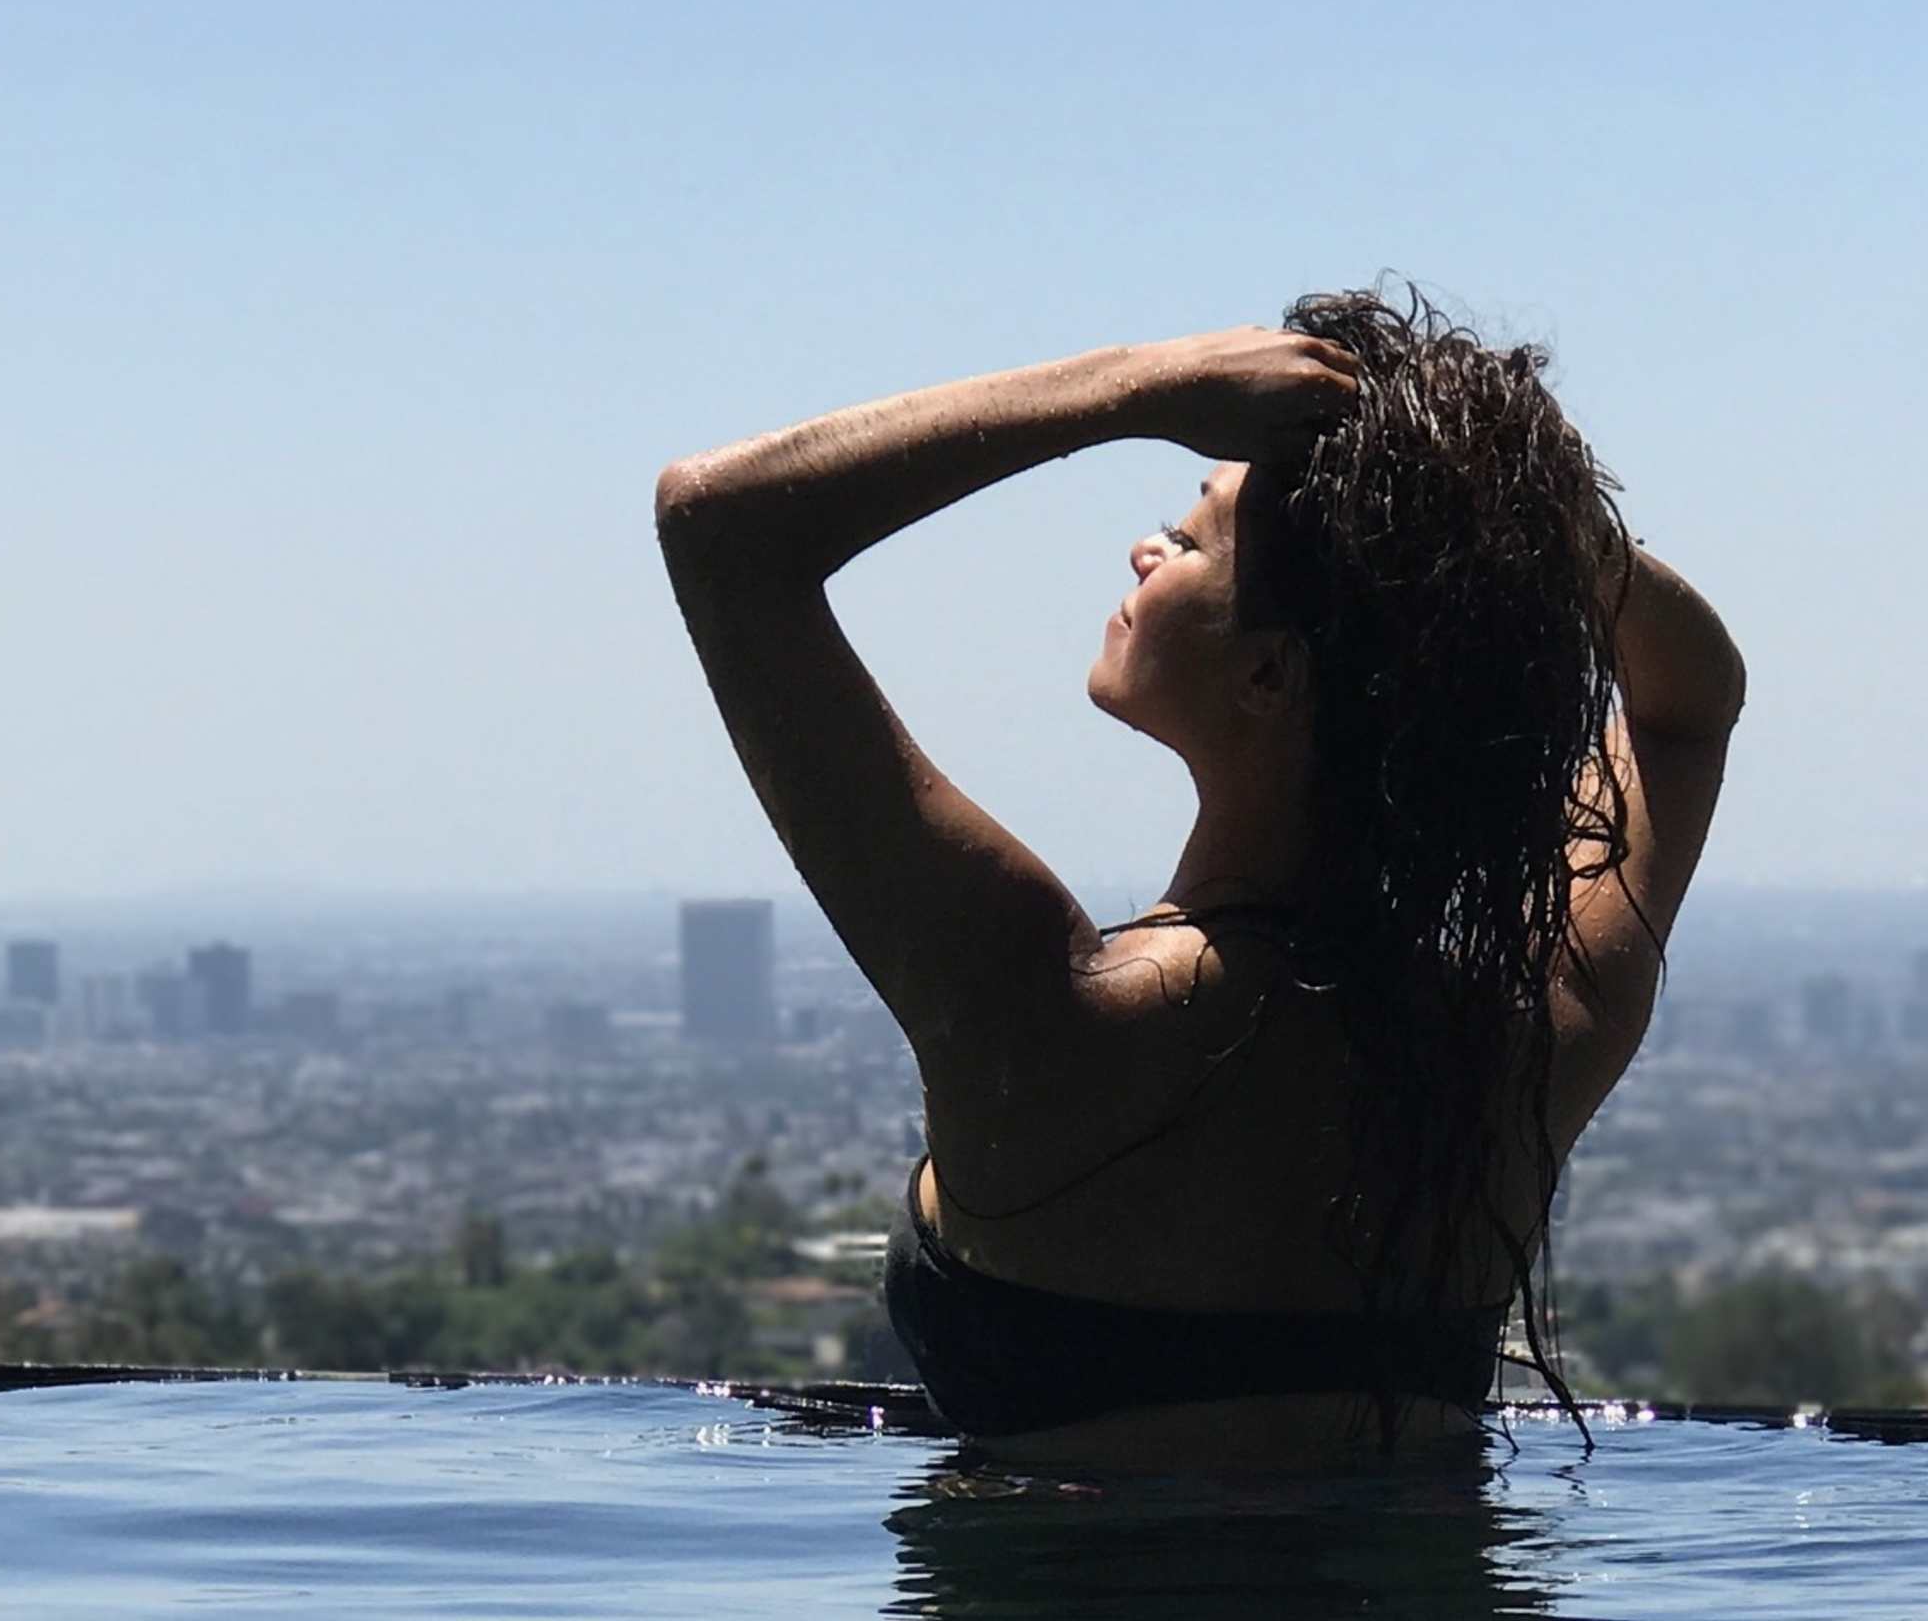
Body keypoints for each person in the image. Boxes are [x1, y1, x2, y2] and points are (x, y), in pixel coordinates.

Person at [652, 292, 1742, 1467]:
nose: (1145, 545)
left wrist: (1143, 386)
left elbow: (721, 523)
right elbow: (1689, 708)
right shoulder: (1525, 1036)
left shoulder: (1046, 1004)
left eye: (1192, 536)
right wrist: (1503, 527)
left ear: (1270, 677)